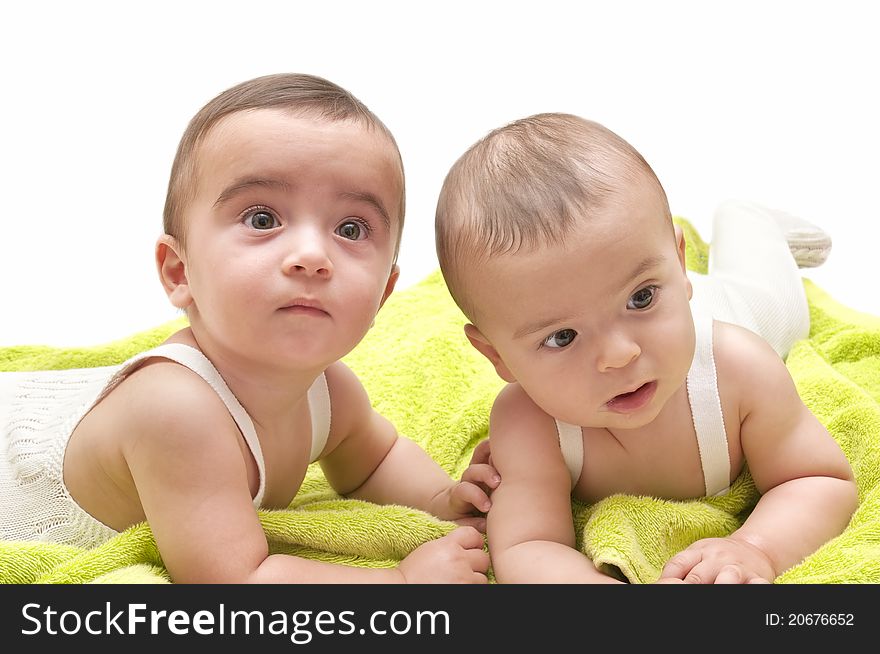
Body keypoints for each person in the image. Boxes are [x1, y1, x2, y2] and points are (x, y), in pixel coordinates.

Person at [0, 73, 497, 584]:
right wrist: (402, 582)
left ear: (383, 295)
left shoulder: (330, 389)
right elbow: (235, 582)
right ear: (180, 272)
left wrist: (445, 499)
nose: (311, 256)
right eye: (262, 219)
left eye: (350, 228)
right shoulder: (178, 412)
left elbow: (375, 461)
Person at [434, 112, 857, 584]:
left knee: (777, 299)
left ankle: (745, 220)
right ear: (497, 357)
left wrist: (754, 549)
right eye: (561, 337)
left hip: (732, 312)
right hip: (670, 316)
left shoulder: (740, 370)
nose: (619, 354)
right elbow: (529, 545)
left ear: (678, 267)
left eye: (641, 297)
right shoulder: (528, 423)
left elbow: (819, 480)